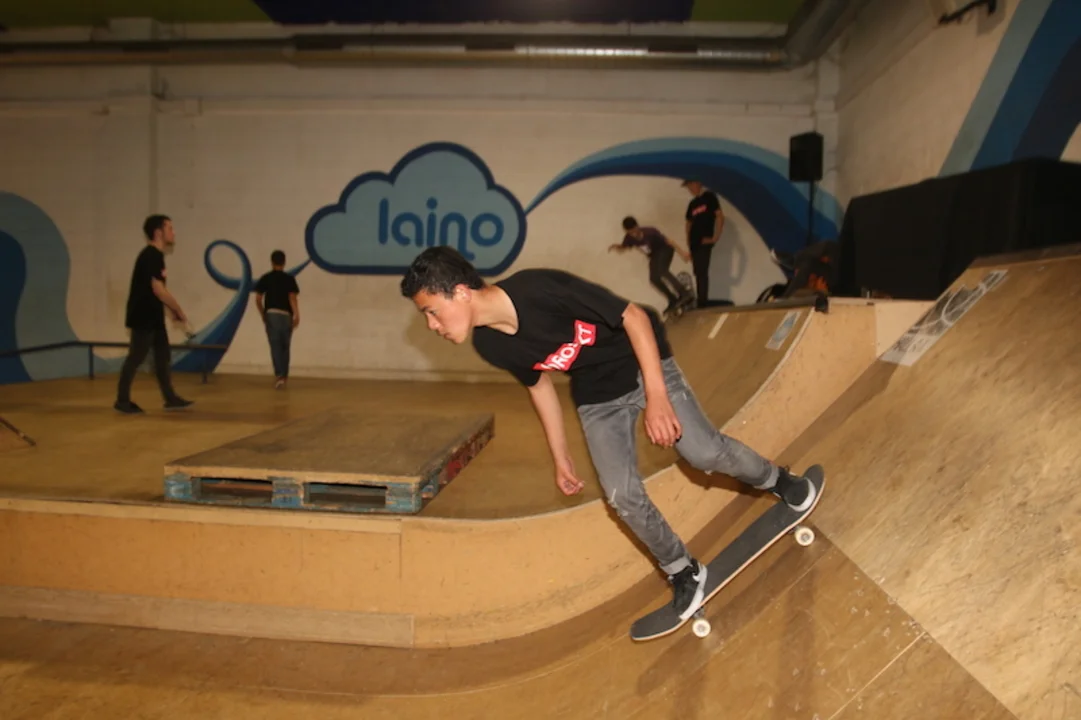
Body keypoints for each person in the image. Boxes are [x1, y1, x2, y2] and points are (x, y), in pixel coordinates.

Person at [400, 246, 817, 621]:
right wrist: (560, 456)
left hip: (640, 364)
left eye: (431, 311)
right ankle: (683, 570)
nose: (432, 325)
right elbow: (539, 386)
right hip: (597, 398)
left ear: (461, 292)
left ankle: (778, 480)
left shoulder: (538, 289)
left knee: (703, 453)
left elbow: (634, 317)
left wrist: (656, 397)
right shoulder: (490, 345)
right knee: (621, 494)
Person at [114, 214, 193, 414]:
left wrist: (169, 311)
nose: (173, 232)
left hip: (154, 316)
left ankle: (170, 398)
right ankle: (122, 400)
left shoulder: (156, 256)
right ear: (158, 232)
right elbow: (158, 289)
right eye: (170, 228)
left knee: (162, 357)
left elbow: (155, 291)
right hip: (143, 317)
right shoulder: (151, 256)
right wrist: (177, 309)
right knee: (136, 357)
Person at [608, 216, 694, 316]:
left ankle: (684, 293)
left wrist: (682, 253)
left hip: (665, 249)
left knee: (662, 271)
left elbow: (669, 241)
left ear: (637, 226)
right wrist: (617, 247)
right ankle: (672, 299)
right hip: (654, 256)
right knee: (654, 279)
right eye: (631, 233)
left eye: (634, 231)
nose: (634, 234)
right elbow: (624, 247)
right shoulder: (629, 238)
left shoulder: (650, 232)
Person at [254, 250, 300, 389]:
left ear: (272, 262)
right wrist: (296, 314)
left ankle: (279, 375)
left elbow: (258, 299)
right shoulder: (289, 279)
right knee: (285, 346)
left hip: (272, 314)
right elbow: (292, 298)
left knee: (275, 346)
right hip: (286, 315)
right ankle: (284, 375)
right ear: (284, 262)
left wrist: (263, 313)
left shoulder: (266, 278)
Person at [682, 179, 725, 307]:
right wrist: (688, 240)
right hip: (694, 242)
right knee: (698, 272)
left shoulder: (709, 197)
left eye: (691, 186)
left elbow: (719, 216)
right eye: (688, 187)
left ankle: (702, 302)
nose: (690, 189)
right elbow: (688, 223)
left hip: (704, 240)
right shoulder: (692, 204)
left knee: (702, 272)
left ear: (698, 183)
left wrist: (716, 237)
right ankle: (701, 300)